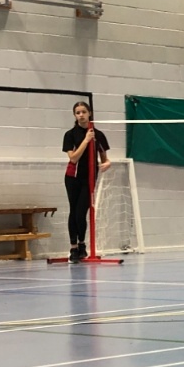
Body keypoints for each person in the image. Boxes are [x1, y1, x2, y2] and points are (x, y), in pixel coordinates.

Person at [61, 101, 109, 263]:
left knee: (82, 213)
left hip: (89, 178)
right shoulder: (70, 135)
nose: (81, 115)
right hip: (73, 177)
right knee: (74, 211)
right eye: (77, 112)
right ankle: (73, 247)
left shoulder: (98, 134)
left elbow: (104, 158)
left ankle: (82, 245)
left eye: (83, 112)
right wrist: (86, 140)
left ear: (89, 113)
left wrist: (107, 163)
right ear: (74, 115)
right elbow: (73, 158)